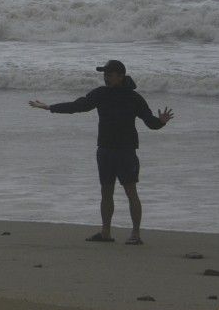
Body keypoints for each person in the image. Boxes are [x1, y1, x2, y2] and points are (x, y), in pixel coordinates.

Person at [28, 59, 174, 245]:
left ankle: (136, 234)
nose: (106, 77)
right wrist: (50, 108)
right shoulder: (101, 93)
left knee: (131, 192)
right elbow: (77, 106)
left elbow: (150, 123)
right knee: (106, 191)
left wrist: (161, 121)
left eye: (109, 74)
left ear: (121, 76)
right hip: (104, 149)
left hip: (126, 151)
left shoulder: (134, 97)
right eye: (104, 74)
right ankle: (106, 233)